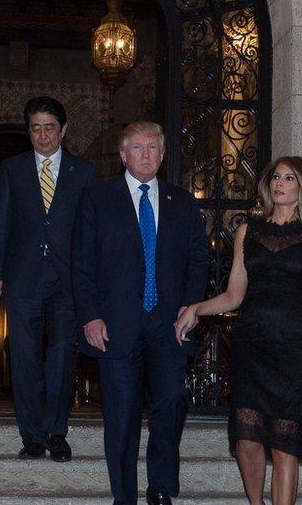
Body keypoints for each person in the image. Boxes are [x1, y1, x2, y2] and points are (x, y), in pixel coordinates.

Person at [174, 156, 302, 505]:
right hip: (252, 342)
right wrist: (196, 308)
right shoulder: (249, 231)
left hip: (294, 345)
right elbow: (234, 295)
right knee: (247, 437)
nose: (280, 183)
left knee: (284, 442)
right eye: (276, 176)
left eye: (289, 178)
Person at [72, 122, 209, 505]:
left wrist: (192, 303)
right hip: (115, 324)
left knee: (171, 401)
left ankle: (162, 488)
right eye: (137, 147)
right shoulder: (98, 197)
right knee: (121, 416)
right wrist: (90, 316)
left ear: (163, 155)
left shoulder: (182, 202)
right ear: (122, 155)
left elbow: (198, 260)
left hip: (170, 326)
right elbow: (82, 263)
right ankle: (125, 497)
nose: (146, 154)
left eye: (153, 147)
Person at [0, 96, 96, 461]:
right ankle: (31, 435)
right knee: (23, 356)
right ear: (28, 131)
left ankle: (56, 432)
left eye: (50, 127)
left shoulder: (84, 172)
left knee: (63, 354)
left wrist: (90, 278)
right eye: (36, 128)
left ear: (63, 130)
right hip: (23, 277)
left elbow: (89, 231)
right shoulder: (12, 169)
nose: (43, 135)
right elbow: (1, 226)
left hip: (67, 279)